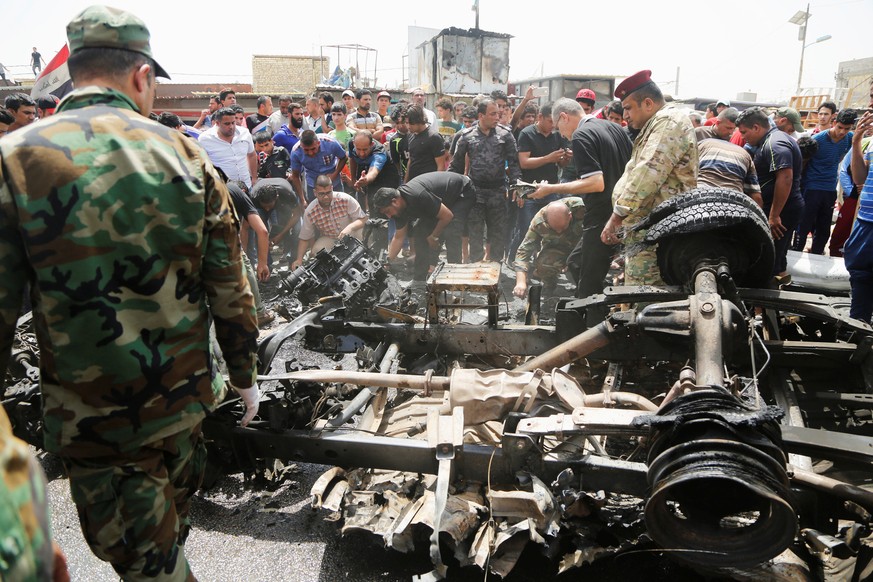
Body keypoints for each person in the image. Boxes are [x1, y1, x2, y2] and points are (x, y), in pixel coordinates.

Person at [0, 6, 259, 580]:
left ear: (74, 71)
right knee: (163, 549)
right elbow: (231, 290)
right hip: (186, 407)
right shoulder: (188, 156)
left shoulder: (16, 159)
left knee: (148, 560)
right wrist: (243, 376)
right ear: (142, 76)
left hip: (98, 423)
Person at [600, 70, 698, 286]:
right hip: (649, 230)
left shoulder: (668, 122)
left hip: (658, 233)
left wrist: (618, 215)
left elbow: (648, 172)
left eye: (627, 108)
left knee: (647, 299)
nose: (625, 116)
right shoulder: (657, 122)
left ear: (647, 103)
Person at [530, 98, 632, 299]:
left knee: (588, 285)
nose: (563, 136)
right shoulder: (614, 128)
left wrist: (550, 188)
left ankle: (593, 323)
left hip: (603, 216)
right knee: (576, 263)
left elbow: (596, 183)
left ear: (564, 117)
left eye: (559, 128)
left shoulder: (581, 135)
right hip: (622, 211)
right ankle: (605, 303)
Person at [737, 106, 805, 285]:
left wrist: (774, 215)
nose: (743, 137)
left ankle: (765, 308)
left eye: (745, 132)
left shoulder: (775, 143)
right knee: (779, 255)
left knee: (767, 259)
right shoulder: (771, 140)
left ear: (757, 127)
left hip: (781, 211)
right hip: (785, 208)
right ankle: (781, 304)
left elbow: (785, 177)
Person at [449, 98, 521, 262]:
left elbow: (515, 165)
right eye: (493, 114)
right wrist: (451, 191)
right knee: (475, 234)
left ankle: (495, 274)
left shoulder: (505, 135)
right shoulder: (466, 137)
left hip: (498, 192)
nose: (497, 117)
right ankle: (476, 271)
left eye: (498, 114)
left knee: (498, 234)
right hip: (476, 193)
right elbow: (455, 167)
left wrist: (516, 187)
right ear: (481, 115)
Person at [374, 172, 476, 280]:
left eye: (388, 211)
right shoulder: (398, 209)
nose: (389, 216)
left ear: (395, 201)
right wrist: (387, 262)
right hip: (440, 201)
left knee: (451, 231)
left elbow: (447, 216)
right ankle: (420, 279)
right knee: (420, 231)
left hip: (462, 192)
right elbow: (398, 237)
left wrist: (434, 236)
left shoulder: (417, 195)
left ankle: (454, 278)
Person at [793, 109, 854, 254]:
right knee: (804, 224)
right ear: (834, 123)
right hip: (811, 187)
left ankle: (817, 253)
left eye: (847, 129)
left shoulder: (850, 138)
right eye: (840, 127)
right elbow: (804, 163)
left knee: (824, 227)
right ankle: (795, 253)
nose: (842, 132)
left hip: (830, 189)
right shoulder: (818, 139)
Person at [513, 198, 587, 299]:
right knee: (544, 263)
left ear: (570, 216)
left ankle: (589, 285)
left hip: (584, 247)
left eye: (562, 228)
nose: (559, 232)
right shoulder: (539, 222)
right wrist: (520, 282)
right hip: (560, 249)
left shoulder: (582, 208)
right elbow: (524, 251)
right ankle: (549, 286)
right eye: (555, 229)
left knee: (590, 265)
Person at [293, 174, 368, 268]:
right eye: (321, 194)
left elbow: (363, 219)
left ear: (332, 188)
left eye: (328, 192)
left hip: (352, 235)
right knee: (317, 250)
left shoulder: (345, 199)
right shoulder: (310, 211)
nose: (325, 197)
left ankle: (367, 259)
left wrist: (350, 228)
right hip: (331, 238)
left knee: (364, 233)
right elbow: (305, 237)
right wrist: (299, 259)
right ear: (315, 192)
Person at [845, 88, 873, 323]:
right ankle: (859, 330)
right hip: (866, 222)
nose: (870, 103)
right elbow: (860, 180)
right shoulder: (870, 141)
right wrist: (856, 142)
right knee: (860, 275)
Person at [199, 106, 258, 189]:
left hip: (246, 186)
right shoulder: (205, 139)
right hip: (222, 189)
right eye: (227, 124)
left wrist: (254, 178)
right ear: (217, 123)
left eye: (233, 122)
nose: (231, 126)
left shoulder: (245, 133)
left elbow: (252, 155)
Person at [289, 130, 347, 205]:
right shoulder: (296, 152)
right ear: (301, 146)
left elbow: (344, 157)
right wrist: (303, 200)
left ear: (318, 143)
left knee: (340, 207)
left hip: (334, 182)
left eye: (313, 149)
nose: (310, 153)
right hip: (313, 185)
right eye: (306, 150)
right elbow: (296, 176)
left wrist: (334, 174)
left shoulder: (330, 143)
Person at [405, 104, 446, 182]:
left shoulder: (434, 137)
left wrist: (436, 186)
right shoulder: (410, 135)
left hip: (428, 183)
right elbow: (411, 160)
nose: (408, 126)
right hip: (413, 183)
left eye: (411, 123)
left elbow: (441, 166)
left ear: (418, 120)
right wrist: (405, 183)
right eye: (407, 123)